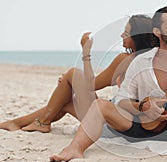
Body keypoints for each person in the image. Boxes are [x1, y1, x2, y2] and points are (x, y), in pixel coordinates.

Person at [49, 6, 167, 162]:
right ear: (157, 32)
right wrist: (143, 106)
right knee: (101, 104)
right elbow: (122, 100)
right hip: (143, 125)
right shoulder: (140, 62)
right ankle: (74, 149)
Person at [0, 14, 157, 133]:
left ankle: (41, 123)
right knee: (66, 99)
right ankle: (23, 123)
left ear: (137, 38)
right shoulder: (150, 59)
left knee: (72, 75)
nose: (121, 36)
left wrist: (86, 53)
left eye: (126, 33)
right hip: (129, 122)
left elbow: (91, 85)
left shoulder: (127, 59)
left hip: (113, 124)